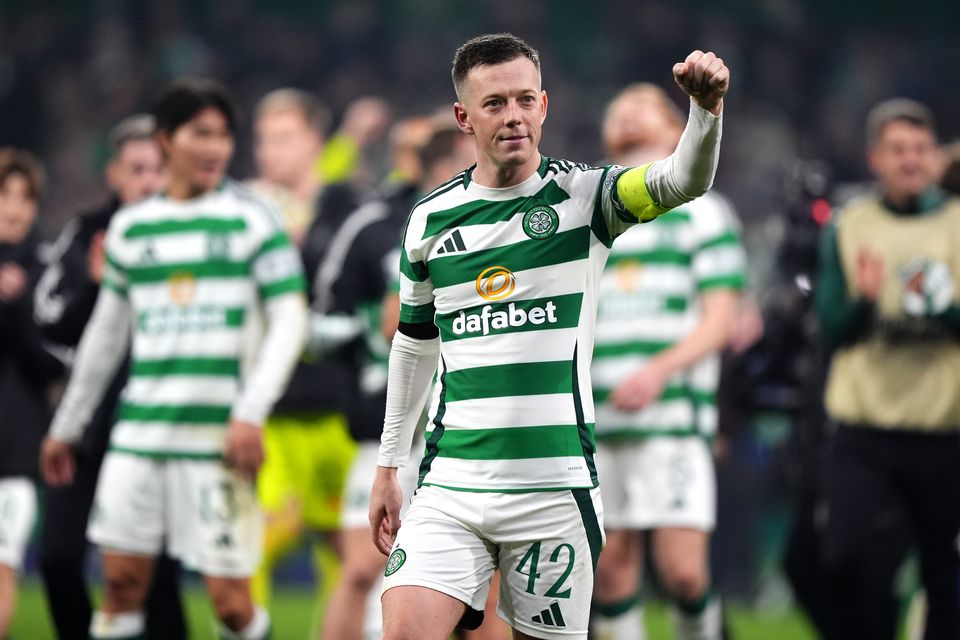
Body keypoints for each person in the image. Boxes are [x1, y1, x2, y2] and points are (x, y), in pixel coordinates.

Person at [369, 33, 728, 640]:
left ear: (544, 106)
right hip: (450, 483)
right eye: (494, 104)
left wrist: (705, 112)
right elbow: (413, 344)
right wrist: (387, 463)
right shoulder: (429, 220)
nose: (512, 116)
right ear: (463, 117)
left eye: (524, 100)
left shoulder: (587, 199)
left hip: (552, 490)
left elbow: (682, 180)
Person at [40, 78, 309, 640]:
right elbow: (105, 337)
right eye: (201, 133)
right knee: (119, 588)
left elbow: (291, 318)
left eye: (224, 136)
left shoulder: (251, 221)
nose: (215, 148)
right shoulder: (132, 229)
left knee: (232, 605)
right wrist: (68, 425)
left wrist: (250, 410)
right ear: (166, 140)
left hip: (217, 442)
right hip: (138, 439)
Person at [590, 84, 746, 640]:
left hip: (673, 421)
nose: (628, 115)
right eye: (618, 109)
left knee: (682, 572)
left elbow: (720, 319)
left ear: (673, 131)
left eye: (644, 108)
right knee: (610, 574)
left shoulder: (703, 210)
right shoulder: (590, 210)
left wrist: (657, 370)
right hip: (599, 423)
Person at [321, 120, 480, 640]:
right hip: (386, 427)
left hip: (467, 429)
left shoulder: (503, 220)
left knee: (481, 589)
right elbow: (380, 322)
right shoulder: (388, 227)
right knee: (364, 568)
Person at [33, 113, 188, 640]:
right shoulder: (85, 234)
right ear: (114, 176)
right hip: (89, 426)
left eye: (157, 169)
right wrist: (97, 286)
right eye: (137, 169)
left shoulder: (183, 237)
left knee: (159, 576)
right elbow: (50, 321)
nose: (148, 181)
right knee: (56, 557)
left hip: (159, 423)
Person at [816, 98, 960, 640]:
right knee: (853, 563)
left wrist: (946, 310)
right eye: (898, 150)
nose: (911, 161)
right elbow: (830, 329)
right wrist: (865, 303)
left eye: (921, 150)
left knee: (944, 575)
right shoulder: (850, 225)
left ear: (936, 157)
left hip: (942, 431)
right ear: (875, 158)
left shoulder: (957, 224)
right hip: (865, 433)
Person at [247, 88, 369, 614]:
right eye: (263, 140)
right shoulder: (248, 213)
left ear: (315, 143)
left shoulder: (349, 212)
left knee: (351, 557)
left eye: (282, 138)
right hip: (273, 411)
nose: (267, 151)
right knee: (255, 543)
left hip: (340, 411)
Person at [0, 147, 67, 640]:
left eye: (25, 196)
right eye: (4, 193)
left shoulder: (47, 272)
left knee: (1, 566)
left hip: (17, 444)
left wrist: (20, 305)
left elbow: (52, 363)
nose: (14, 206)